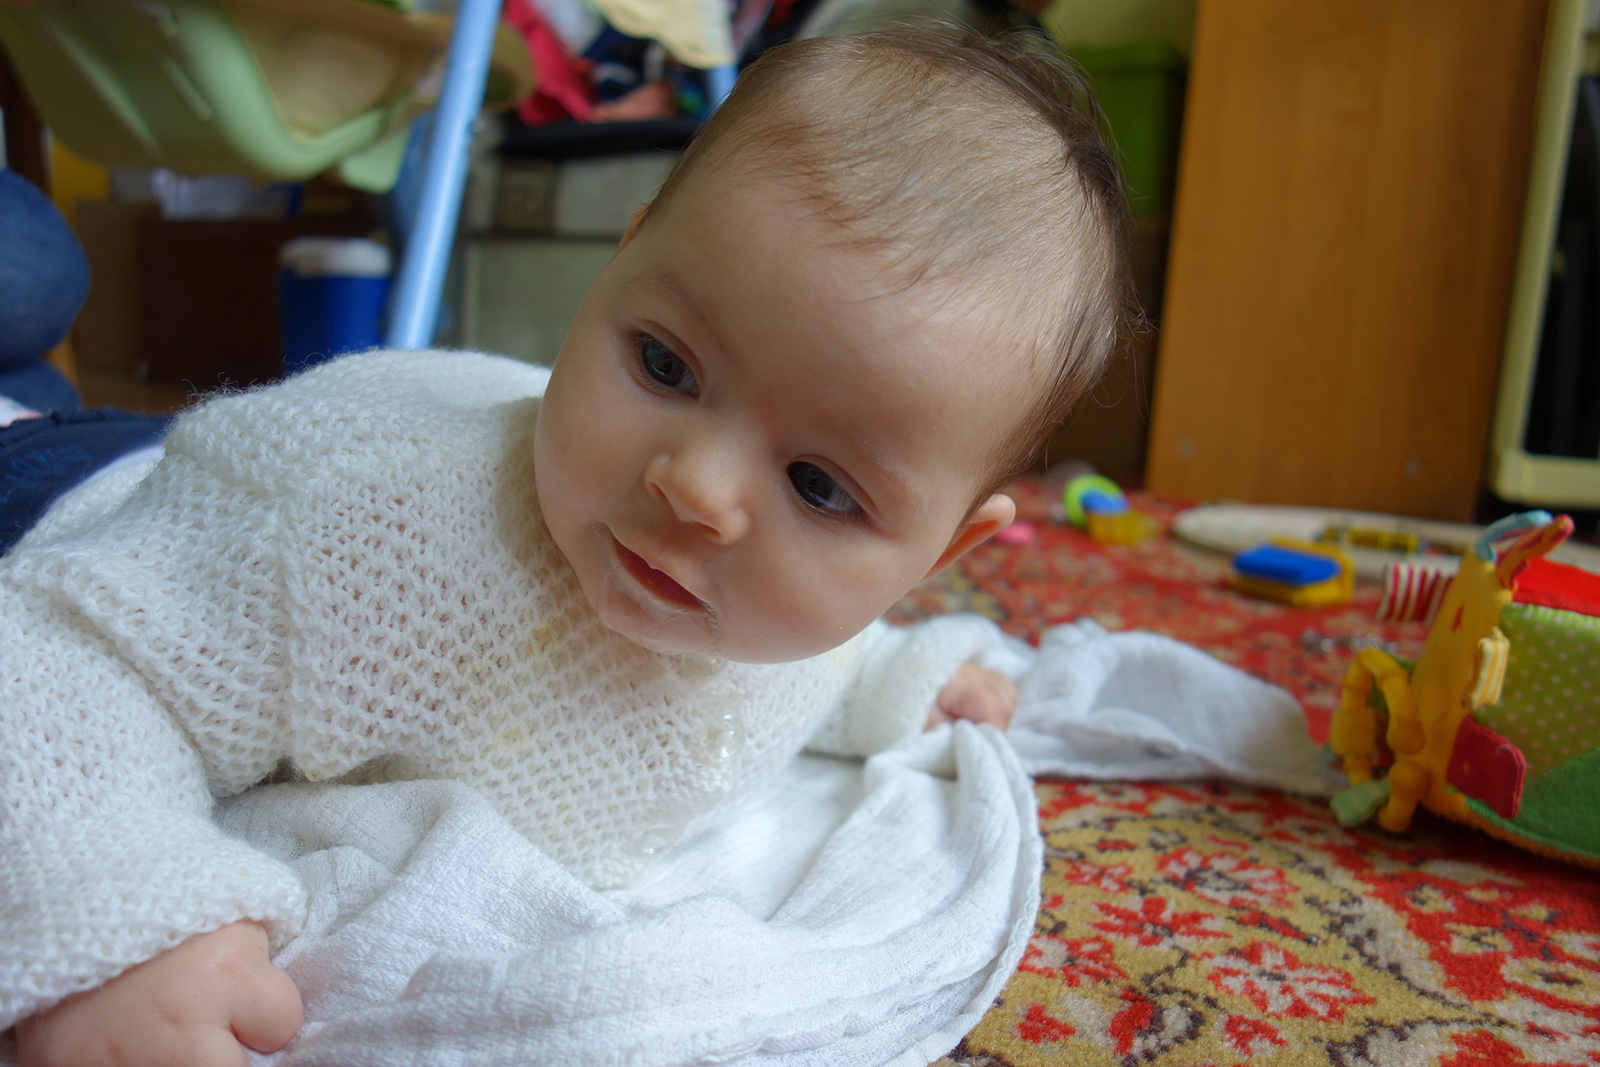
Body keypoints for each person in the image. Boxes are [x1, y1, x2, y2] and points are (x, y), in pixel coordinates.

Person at [1, 26, 1132, 1067]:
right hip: (74, 494)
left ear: (934, 554)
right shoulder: (363, 529)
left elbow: (829, 665)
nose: (696, 488)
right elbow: (67, 648)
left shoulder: (787, 622)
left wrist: (909, 679)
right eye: (665, 364)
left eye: (820, 486)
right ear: (618, 267)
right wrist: (118, 911)